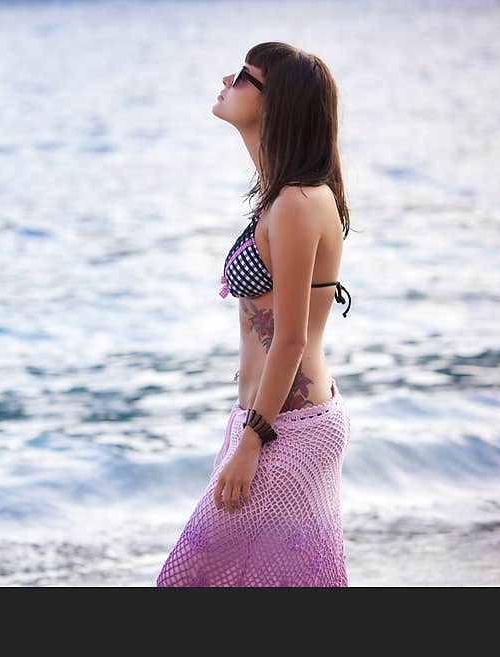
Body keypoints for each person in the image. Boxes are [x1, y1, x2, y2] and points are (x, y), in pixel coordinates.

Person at [156, 42, 354, 587]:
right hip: (274, 422)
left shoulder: (295, 203)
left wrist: (251, 441)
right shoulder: (282, 196)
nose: (227, 78)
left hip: (282, 428)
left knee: (185, 583)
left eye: (244, 76)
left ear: (277, 105)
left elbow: (290, 339)